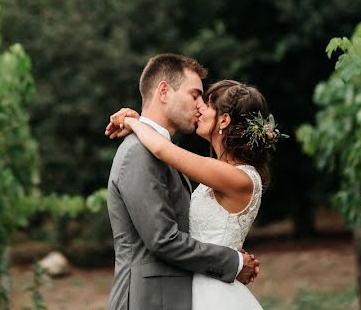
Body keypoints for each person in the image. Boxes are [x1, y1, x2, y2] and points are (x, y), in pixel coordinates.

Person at [106, 68, 281, 310]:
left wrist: (133, 121)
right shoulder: (218, 170)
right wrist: (232, 259)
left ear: (224, 120)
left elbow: (162, 150)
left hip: (213, 292)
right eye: (195, 96)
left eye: (205, 103)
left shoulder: (237, 176)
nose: (198, 107)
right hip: (194, 286)